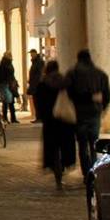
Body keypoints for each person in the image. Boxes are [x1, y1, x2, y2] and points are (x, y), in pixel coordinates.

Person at [64, 48, 110, 182]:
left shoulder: (72, 73)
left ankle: (87, 173)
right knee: (94, 144)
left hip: (79, 112)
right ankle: (94, 169)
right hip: (94, 112)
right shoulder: (100, 73)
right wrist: (103, 107)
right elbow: (107, 93)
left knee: (83, 145)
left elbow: (69, 92)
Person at [33, 60, 76, 190]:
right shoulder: (65, 82)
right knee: (65, 147)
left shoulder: (42, 84)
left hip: (50, 121)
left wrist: (41, 115)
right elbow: (73, 99)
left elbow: (38, 102)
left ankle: (57, 175)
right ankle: (63, 168)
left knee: (53, 149)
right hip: (64, 121)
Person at [27, 49, 45, 122]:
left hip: (37, 86)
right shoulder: (35, 62)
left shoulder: (39, 62)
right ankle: (38, 117)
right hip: (34, 85)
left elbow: (39, 74)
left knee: (38, 102)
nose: (31, 55)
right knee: (36, 102)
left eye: (31, 54)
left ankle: (40, 118)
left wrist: (36, 83)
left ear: (35, 53)